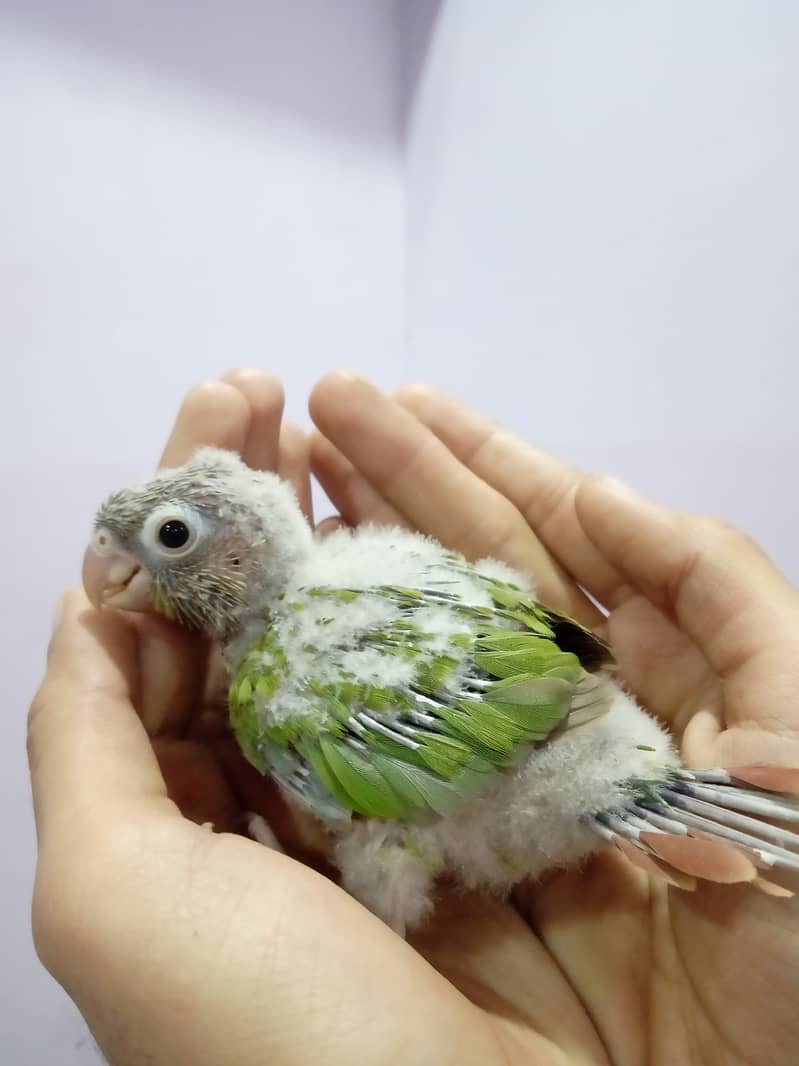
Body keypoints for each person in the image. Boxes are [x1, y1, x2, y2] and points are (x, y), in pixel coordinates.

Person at [29, 370, 799, 1066]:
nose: (115, 564)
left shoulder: (273, 684)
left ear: (246, 544)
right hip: (570, 733)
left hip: (537, 773)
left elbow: (408, 817)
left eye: (172, 538)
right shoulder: (375, 572)